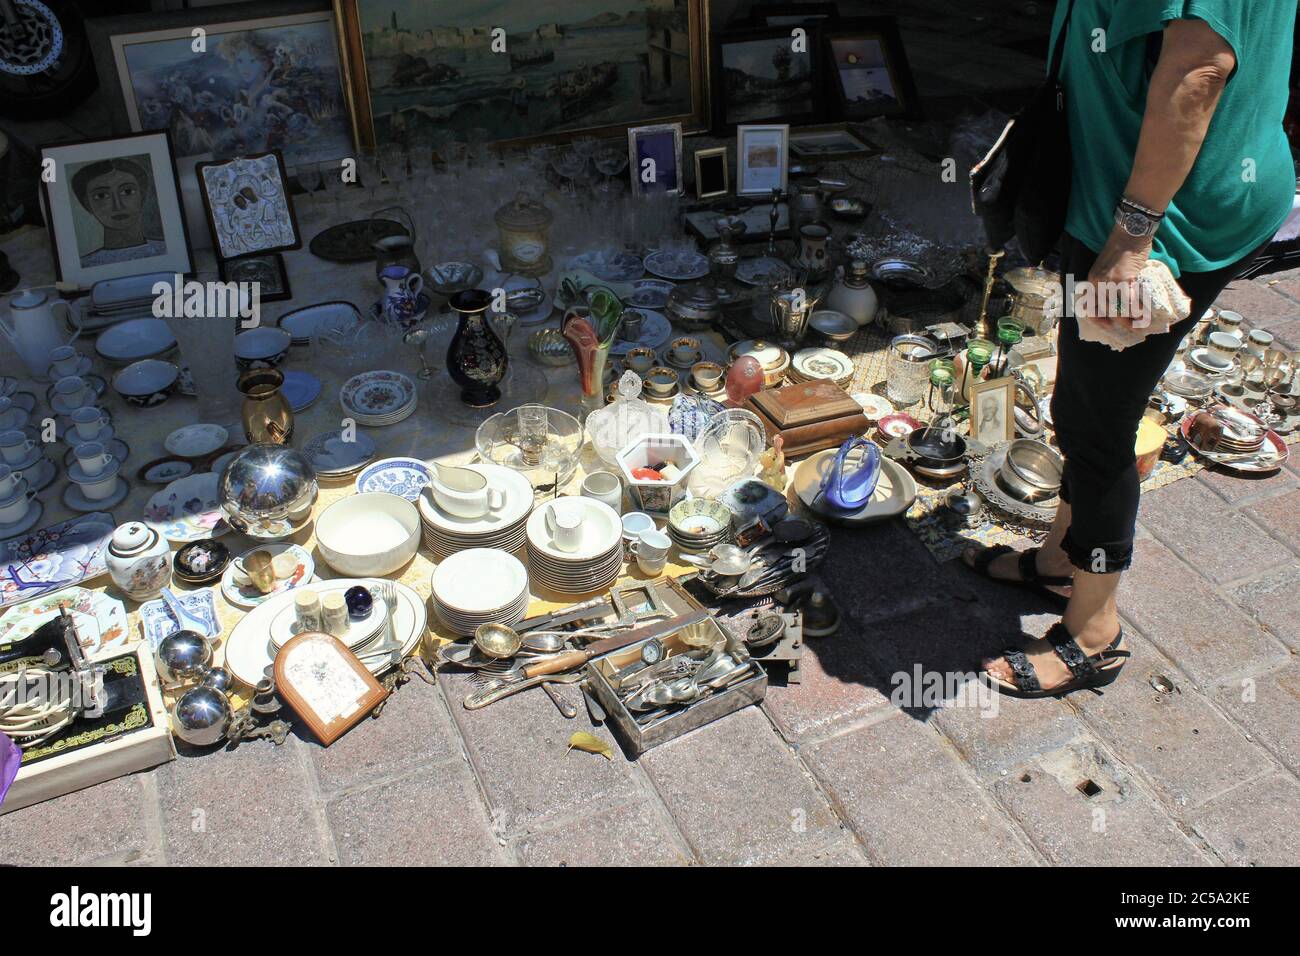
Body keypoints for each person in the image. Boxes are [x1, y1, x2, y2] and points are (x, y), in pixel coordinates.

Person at [964, 1, 1297, 697]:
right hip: (1130, 198)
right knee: (1078, 399)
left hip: (1153, 221)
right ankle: (1061, 557)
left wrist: (1130, 238)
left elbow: (1200, 66)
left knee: (1096, 423)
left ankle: (1094, 631)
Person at [71, 158, 167, 268]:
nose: (117, 205)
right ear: (87, 204)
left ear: (142, 196)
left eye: (127, 192)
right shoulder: (84, 265)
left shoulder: (169, 251)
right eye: (101, 196)